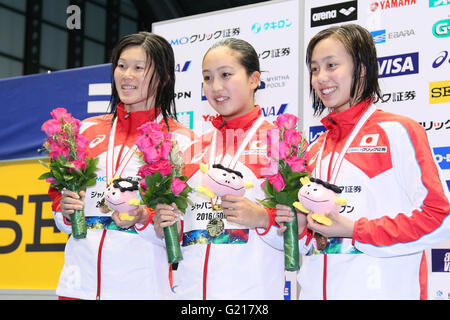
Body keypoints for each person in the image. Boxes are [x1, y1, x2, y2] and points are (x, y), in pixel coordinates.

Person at [274, 24, 450, 300]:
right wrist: (298, 226)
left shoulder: (398, 130)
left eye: (331, 65)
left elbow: (441, 216)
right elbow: (314, 241)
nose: (320, 78)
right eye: (315, 69)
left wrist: (354, 230)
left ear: (363, 68)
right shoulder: (316, 149)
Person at [48, 32, 194, 300]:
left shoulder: (180, 140)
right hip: (78, 284)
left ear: (162, 77)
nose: (127, 75)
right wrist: (66, 211)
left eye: (139, 68)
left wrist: (143, 218)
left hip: (140, 287)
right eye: (122, 65)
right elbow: (60, 202)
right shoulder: (87, 129)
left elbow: (183, 224)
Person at [137, 38, 285, 300]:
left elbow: (302, 234)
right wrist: (163, 225)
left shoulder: (280, 143)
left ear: (254, 79)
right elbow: (181, 228)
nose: (215, 87)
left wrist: (263, 218)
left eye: (226, 74)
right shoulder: (193, 148)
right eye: (207, 78)